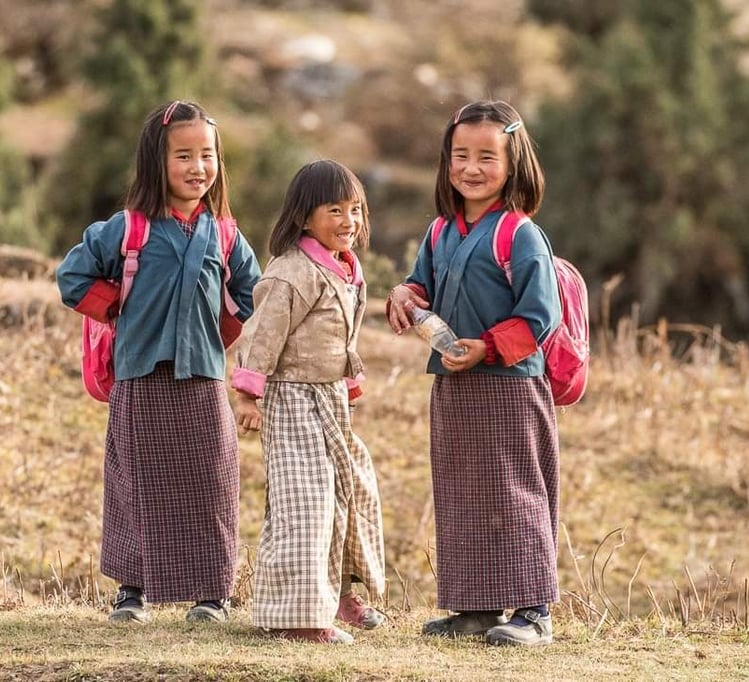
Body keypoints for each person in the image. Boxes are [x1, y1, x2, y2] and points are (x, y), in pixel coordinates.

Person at [56, 100, 261, 624]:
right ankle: (132, 591)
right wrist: (120, 312)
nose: (198, 167)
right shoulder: (127, 229)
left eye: (207, 155)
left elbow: (252, 294)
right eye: (183, 156)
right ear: (155, 162)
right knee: (137, 482)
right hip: (139, 373)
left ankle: (212, 594)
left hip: (204, 377)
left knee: (212, 481)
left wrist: (218, 336)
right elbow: (72, 278)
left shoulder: (226, 234)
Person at [387, 100, 561, 647]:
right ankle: (478, 607)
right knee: (463, 492)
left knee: (516, 492)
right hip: (454, 385)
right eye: (460, 155)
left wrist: (486, 348)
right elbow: (422, 285)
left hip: (511, 386)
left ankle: (534, 613)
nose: (471, 167)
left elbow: (540, 316)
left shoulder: (520, 235)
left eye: (487, 156)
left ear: (514, 164)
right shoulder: (440, 231)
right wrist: (404, 295)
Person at [232, 159, 386, 645]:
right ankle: (297, 616)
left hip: (330, 399)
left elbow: (342, 334)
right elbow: (262, 334)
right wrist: (248, 394)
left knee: (346, 495)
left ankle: (334, 594)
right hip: (293, 398)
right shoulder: (291, 272)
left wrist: (349, 380)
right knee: (306, 504)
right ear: (304, 218)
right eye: (335, 210)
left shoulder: (346, 269)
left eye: (355, 209)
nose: (349, 221)